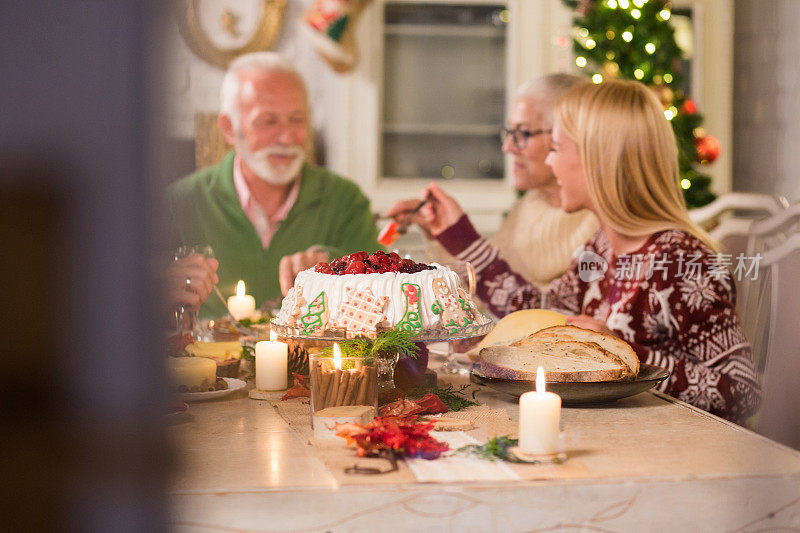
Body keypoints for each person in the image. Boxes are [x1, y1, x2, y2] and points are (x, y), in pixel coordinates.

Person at [406, 80, 761, 424]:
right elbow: (539, 310)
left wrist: (624, 353)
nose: (551, 164)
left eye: (557, 149)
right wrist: (456, 234)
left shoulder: (685, 264)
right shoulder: (600, 248)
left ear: (597, 160)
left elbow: (742, 390)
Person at [169, 52, 379, 317]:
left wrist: (334, 266)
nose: (287, 136)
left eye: (297, 119)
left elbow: (383, 299)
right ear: (229, 128)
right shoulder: (178, 203)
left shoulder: (347, 201)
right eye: (268, 121)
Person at [388, 74, 598, 287]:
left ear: (567, 137)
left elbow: (526, 302)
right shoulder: (531, 205)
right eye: (509, 131)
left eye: (523, 133)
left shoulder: (600, 226)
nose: (507, 147)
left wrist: (459, 233)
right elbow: (481, 289)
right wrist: (442, 233)